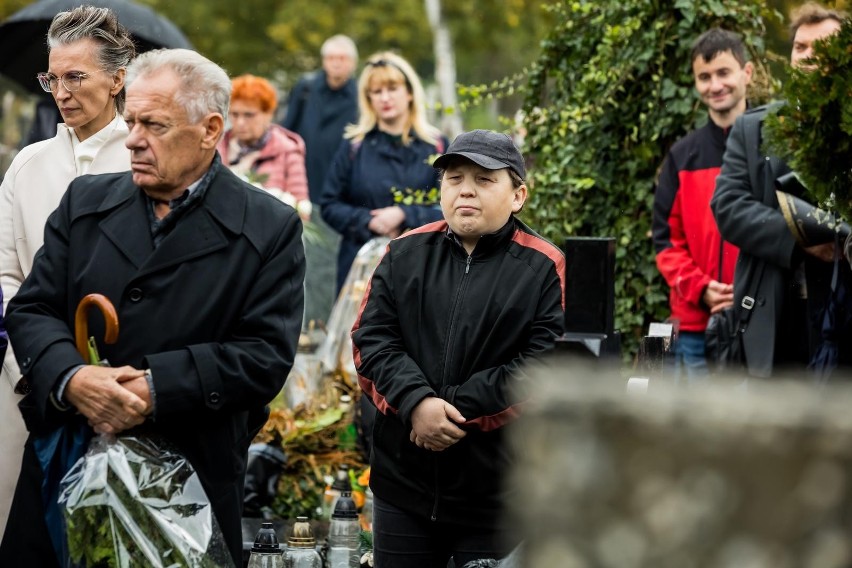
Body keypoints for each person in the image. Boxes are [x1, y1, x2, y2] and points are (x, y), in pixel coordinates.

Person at [0, 48, 305, 566]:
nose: (134, 138)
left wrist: (155, 385)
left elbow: (263, 356)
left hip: (189, 480)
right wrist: (72, 379)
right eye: (131, 120)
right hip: (71, 459)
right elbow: (32, 309)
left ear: (210, 130)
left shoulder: (268, 227)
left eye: (154, 125)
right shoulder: (85, 202)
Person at [352, 129, 565, 566]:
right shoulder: (403, 253)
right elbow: (371, 342)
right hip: (401, 488)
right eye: (454, 178)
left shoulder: (545, 267)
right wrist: (416, 403)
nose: (466, 189)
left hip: (493, 494)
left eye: (485, 179)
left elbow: (540, 367)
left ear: (518, 195)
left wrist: (445, 410)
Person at [0, 5, 134, 539]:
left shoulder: (142, 157)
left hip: (124, 385)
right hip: (26, 381)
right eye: (51, 78)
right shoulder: (27, 164)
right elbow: (6, 275)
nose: (61, 91)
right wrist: (28, 367)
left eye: (75, 76)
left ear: (118, 77)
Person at [711, 2, 847, 378]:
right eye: (800, 46)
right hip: (778, 317)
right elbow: (728, 206)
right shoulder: (753, 129)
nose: (806, 56)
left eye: (819, 48)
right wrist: (800, 237)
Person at [652, 28, 752, 380]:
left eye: (723, 73)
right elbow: (665, 242)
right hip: (695, 323)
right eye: (704, 77)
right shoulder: (683, 156)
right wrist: (701, 288)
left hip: (758, 322)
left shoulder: (771, 147)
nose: (715, 85)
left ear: (747, 73)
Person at [321, 51, 448, 293]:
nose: (385, 98)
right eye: (377, 92)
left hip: (420, 266)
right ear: (368, 99)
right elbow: (329, 203)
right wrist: (368, 221)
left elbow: (451, 208)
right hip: (360, 270)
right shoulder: (354, 145)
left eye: (392, 88)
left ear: (409, 92)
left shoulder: (437, 146)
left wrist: (405, 214)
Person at [283, 34, 359, 325]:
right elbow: (288, 130)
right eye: (330, 58)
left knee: (335, 263)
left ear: (351, 63)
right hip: (305, 189)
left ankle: (333, 325)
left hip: (343, 195)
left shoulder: (359, 96)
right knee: (308, 262)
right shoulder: (306, 89)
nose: (336, 64)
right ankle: (310, 325)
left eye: (341, 59)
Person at [217, 74, 309, 209]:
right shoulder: (217, 146)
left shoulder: (288, 150)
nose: (240, 122)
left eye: (249, 115)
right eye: (235, 114)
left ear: (269, 114)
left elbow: (300, 208)